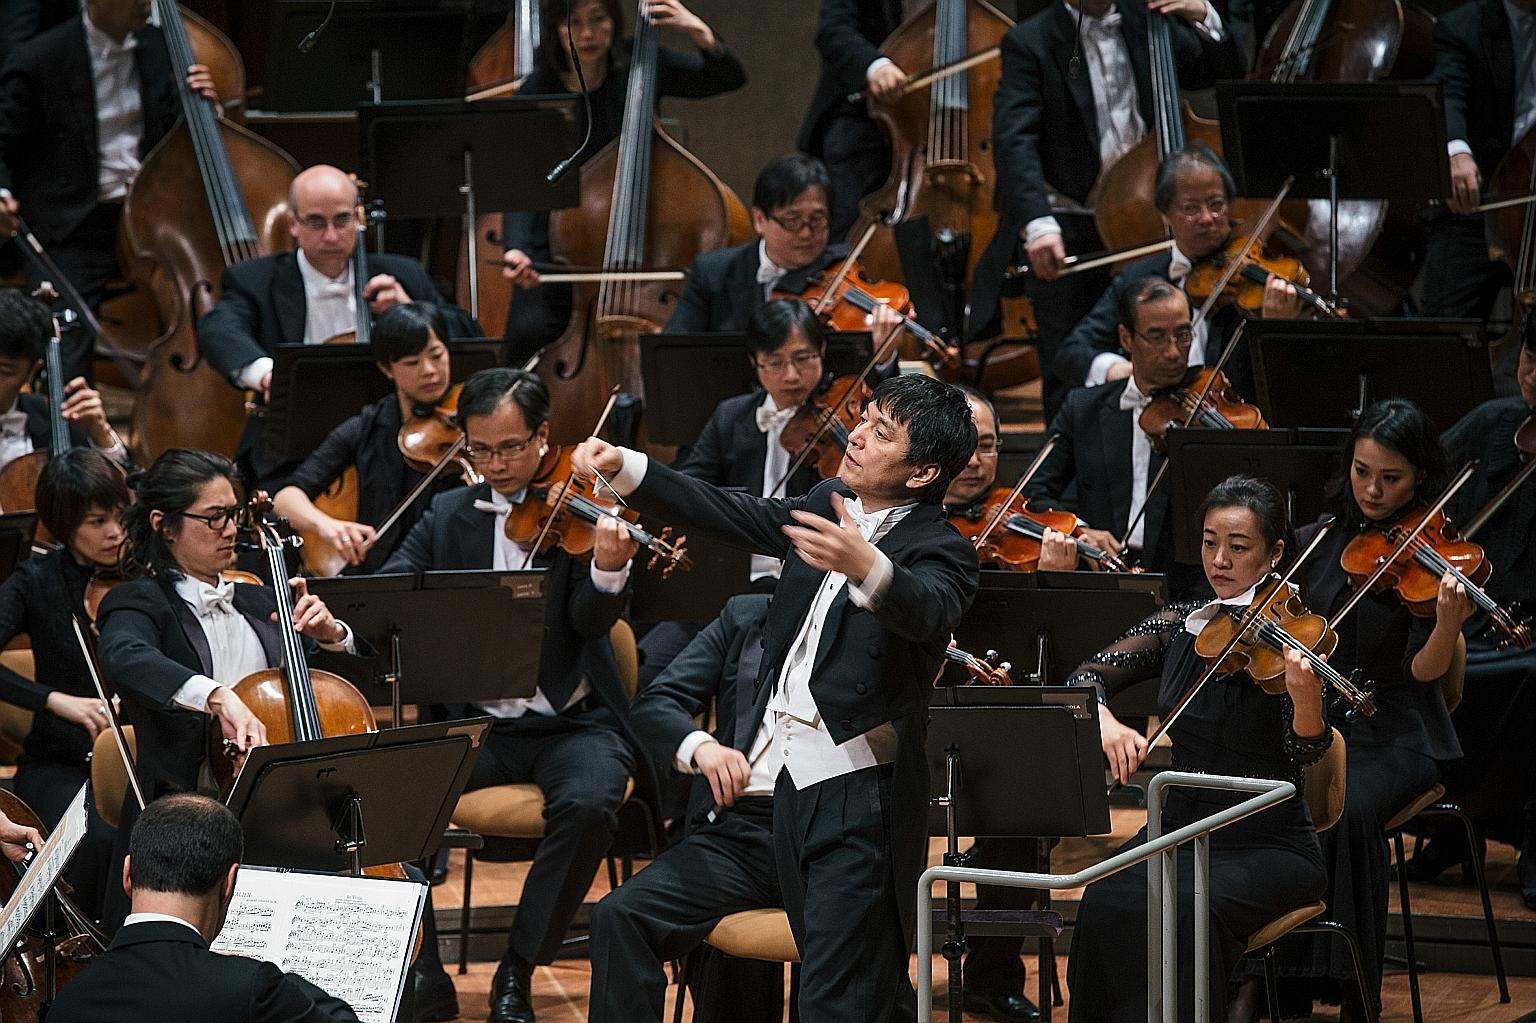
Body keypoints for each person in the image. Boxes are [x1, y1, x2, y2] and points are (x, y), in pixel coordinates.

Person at [572, 373, 979, 1023]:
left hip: (861, 800)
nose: (858, 435)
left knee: (834, 1003)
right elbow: (738, 512)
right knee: (840, 988)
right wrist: (630, 468)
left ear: (924, 471)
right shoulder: (828, 497)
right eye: (866, 417)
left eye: (882, 432)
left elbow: (930, 608)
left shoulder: (942, 548)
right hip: (790, 791)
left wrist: (867, 565)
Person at [381, 367, 648, 1023]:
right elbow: (389, 588)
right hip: (478, 726)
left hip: (572, 724)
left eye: (510, 447)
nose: (496, 464)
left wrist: (609, 570)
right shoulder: (447, 513)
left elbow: (589, 622)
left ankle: (518, 970)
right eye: (480, 449)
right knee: (390, 790)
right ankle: (425, 970)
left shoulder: (581, 507)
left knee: (590, 803)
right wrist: (341, 620)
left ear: (543, 437)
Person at [1065, 474, 1330, 1021]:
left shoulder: (1295, 641)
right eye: (1211, 542)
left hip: (1266, 840)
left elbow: (1310, 755)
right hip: (1176, 828)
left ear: (1274, 553)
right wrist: (1106, 722)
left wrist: (1307, 704)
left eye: (1238, 547)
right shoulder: (1178, 626)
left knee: (1184, 910)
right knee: (1102, 900)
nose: (1220, 561)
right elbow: (1083, 679)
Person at [95, 449, 370, 926]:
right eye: (215, 517)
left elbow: (341, 689)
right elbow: (125, 658)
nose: (231, 530)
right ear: (165, 524)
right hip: (185, 819)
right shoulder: (137, 601)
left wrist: (333, 636)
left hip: (283, 814)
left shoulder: (266, 598)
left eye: (235, 515)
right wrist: (216, 695)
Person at [1261, 399, 1468, 1018]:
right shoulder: (1318, 540)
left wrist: (1447, 625)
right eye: (1362, 472)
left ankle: (1353, 984)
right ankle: (1283, 980)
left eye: (1391, 478)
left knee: (1341, 806)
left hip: (1396, 733)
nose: (1373, 491)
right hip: (1313, 726)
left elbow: (1422, 674)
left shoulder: (1433, 555)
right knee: (1271, 793)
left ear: (1421, 478)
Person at [974, 0, 1243, 420]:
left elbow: (1220, 72)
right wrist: (1038, 223)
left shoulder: (1151, 21)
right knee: (1069, 365)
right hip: (1073, 218)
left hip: (1149, 216)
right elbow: (1014, 140)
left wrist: (1203, 14)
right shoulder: (1030, 41)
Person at [195, 164, 479, 489]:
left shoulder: (403, 274)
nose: (331, 236)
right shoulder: (255, 280)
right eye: (316, 222)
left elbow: (469, 335)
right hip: (296, 447)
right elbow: (217, 329)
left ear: (359, 218)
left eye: (342, 220)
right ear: (293, 224)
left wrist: (412, 311)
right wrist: (267, 374)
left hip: (400, 443)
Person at [497, 0, 745, 363]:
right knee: (526, 331)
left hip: (639, 243)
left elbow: (727, 78)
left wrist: (696, 29)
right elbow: (522, 179)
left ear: (614, 22)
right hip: (560, 247)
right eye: (573, 23)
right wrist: (517, 248)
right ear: (556, 28)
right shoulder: (539, 90)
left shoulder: (639, 64)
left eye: (598, 20)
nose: (586, 34)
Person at [587, 594, 783, 1023]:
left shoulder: (878, 620)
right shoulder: (747, 614)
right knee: (620, 916)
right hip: (740, 829)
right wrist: (702, 747)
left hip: (830, 833)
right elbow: (658, 702)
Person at [0, 0, 219, 382]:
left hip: (154, 220)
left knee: (214, 312)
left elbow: (176, 139)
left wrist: (203, 111)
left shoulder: (164, 48)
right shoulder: (40, 58)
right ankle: (71, 433)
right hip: (72, 225)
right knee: (62, 336)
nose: (145, 3)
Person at [1410, 317, 1536, 905]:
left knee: (1529, 682)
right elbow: (1421, 477)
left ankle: (1518, 831)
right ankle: (1444, 822)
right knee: (1410, 670)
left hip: (1530, 627)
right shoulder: (1495, 424)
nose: (1534, 379)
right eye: (1529, 363)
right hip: (1465, 612)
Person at [47, 793, 359, 1023]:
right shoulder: (250, 990)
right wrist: (275, 979)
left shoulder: (69, 1003)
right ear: (229, 883)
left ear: (127, 875)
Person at [1049, 146, 1306, 403]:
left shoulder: (1252, 279)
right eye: (1190, 208)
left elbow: (1277, 382)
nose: (1206, 218)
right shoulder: (1137, 277)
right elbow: (1073, 352)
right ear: (1164, 214)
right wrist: (1117, 369)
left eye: (1216, 205)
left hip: (1233, 417)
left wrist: (1274, 330)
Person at [0, 448, 126, 918]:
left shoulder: (141, 576)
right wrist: (54, 701)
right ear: (63, 523)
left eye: (118, 516)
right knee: (95, 840)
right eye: (97, 522)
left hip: (140, 762)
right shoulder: (36, 579)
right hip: (59, 760)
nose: (115, 532)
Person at [1023, 277, 1205, 592]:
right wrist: (1079, 532)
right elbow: (1032, 495)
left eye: (1183, 334)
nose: (1174, 352)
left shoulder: (1207, 410)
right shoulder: (1083, 409)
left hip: (1189, 587)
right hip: (1102, 583)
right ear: (1126, 338)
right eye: (1157, 337)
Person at [272, 303, 466, 576]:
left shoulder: (470, 417)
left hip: (454, 568)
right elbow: (286, 498)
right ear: (387, 369)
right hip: (381, 572)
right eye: (412, 363)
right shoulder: (367, 426)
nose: (429, 370)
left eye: (437, 355)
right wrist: (328, 526)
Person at [1420, 0, 1532, 381]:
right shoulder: (1462, 27)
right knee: (1442, 336)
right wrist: (1455, 151)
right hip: (1481, 204)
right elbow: (1448, 92)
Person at [664, 154, 860, 335]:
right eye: (792, 220)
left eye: (817, 219)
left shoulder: (844, 269)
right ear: (759, 220)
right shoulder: (712, 274)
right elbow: (674, 351)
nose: (806, 233)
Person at [797, 0, 905, 241]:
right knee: (846, 227)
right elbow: (833, 31)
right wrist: (875, 67)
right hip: (859, 118)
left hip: (928, 128)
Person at [0, 288, 131, 471]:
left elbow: (125, 493)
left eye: (5, 371)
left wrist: (101, 435)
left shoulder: (57, 418)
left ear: (32, 371)